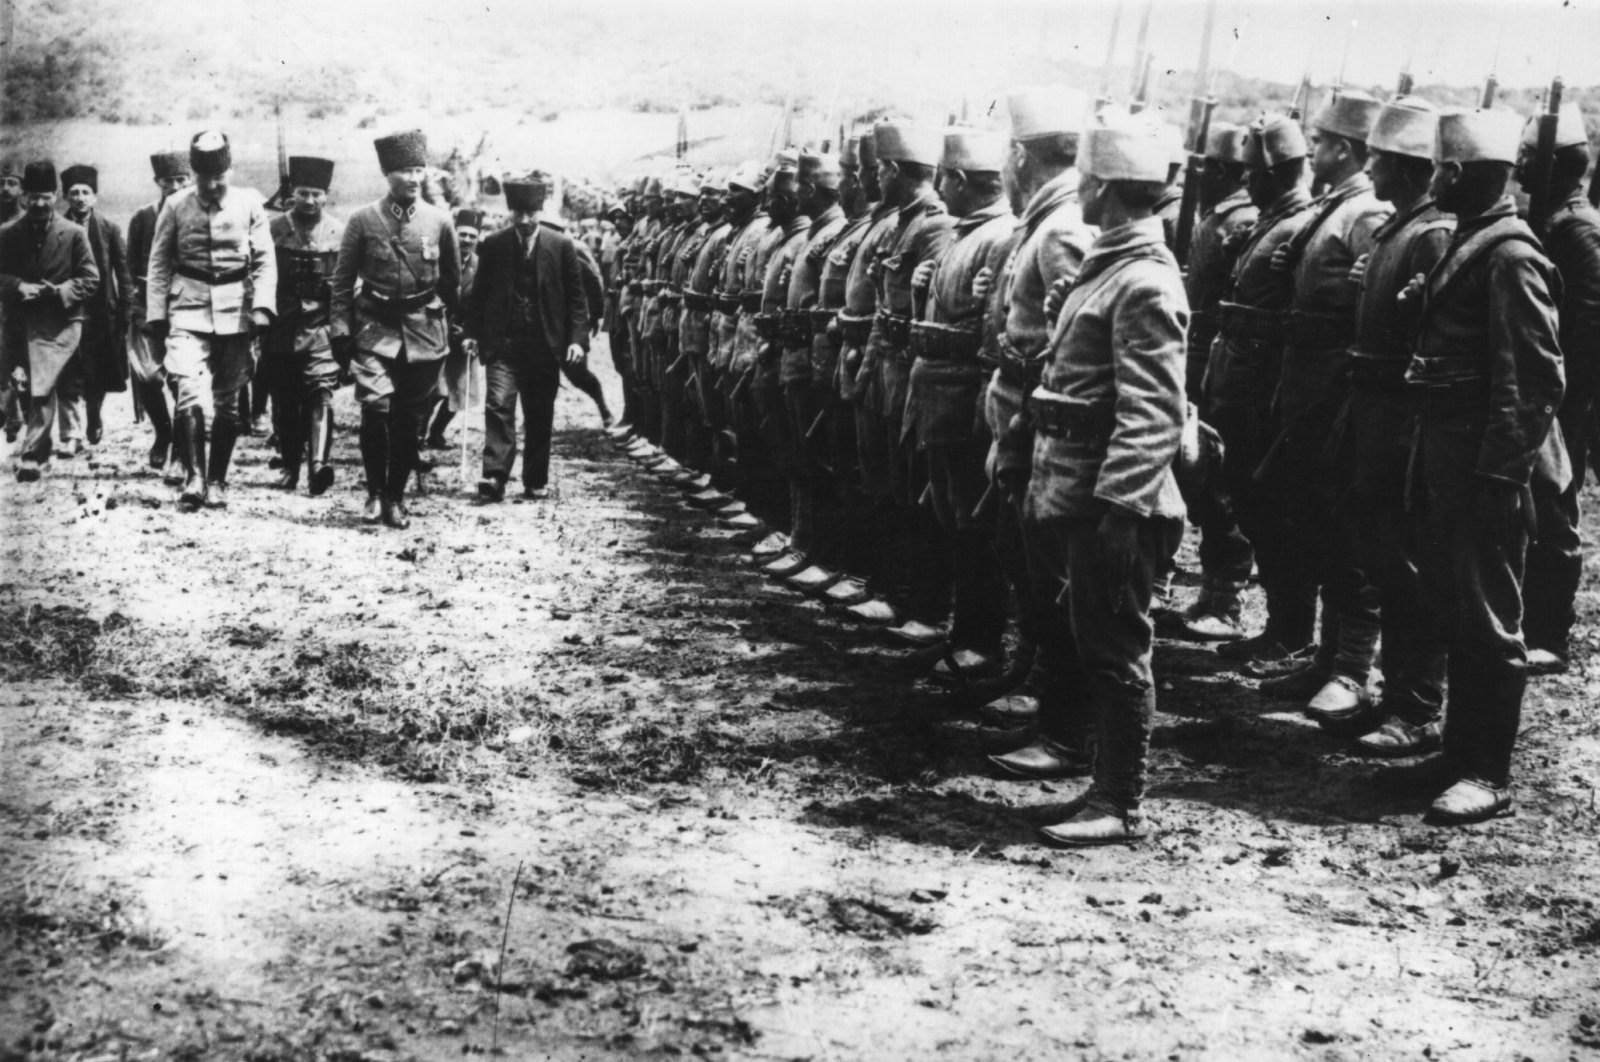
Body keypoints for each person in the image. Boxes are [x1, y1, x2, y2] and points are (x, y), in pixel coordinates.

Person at [1022, 108, 1189, 846]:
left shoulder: (1144, 282)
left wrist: (1122, 509)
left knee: (1118, 649)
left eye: (1088, 180)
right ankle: (1099, 784)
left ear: (1108, 189)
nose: (1079, 190)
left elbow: (1153, 412)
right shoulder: (1111, 268)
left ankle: (1119, 801)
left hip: (1116, 501)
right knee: (1095, 640)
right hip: (1082, 490)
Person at [1397, 107, 1566, 825]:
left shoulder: (1511, 254)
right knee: (1455, 607)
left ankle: (1487, 772)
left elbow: (1532, 382)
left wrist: (1502, 479)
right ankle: (1458, 753)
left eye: (1439, 168)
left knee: (1490, 615)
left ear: (1459, 174)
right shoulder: (1472, 241)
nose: (1433, 179)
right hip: (1445, 456)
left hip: (1479, 468)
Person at [1328, 96, 1453, 754]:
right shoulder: (1399, 228)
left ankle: (1416, 708)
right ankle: (1389, 691)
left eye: (1377, 157)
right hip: (1374, 417)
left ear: (1405, 167)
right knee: (1380, 559)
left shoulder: (1431, 232)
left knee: (1409, 570)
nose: (1367, 165)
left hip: (1402, 428)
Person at [1260, 91, 1391, 718]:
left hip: (1337, 392)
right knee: (1314, 521)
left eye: (1318, 141)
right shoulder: (1333, 208)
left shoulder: (1366, 212)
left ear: (1342, 148)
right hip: (1306, 388)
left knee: (1345, 531)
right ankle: (1325, 660)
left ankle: (1352, 670)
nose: (1310, 151)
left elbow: (1373, 310)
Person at [978, 85, 1097, 743]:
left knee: (1044, 569)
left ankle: (1050, 693)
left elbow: (1072, 348)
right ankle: (1029, 672)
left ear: (1023, 156)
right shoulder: (1042, 222)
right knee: (1019, 555)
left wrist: (1025, 429)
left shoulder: (1064, 228)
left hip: (1039, 424)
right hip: (1019, 415)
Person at [902, 129, 1016, 678]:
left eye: (943, 175)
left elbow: (991, 330)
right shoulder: (962, 233)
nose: (937, 183)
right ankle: (962, 632)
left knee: (976, 529)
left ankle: (981, 641)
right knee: (951, 519)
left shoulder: (999, 236)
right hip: (941, 395)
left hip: (967, 398)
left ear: (960, 180)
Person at [1205, 116, 1317, 666]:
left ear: (1278, 172)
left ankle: (1292, 633)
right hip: (1242, 389)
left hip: (1265, 396)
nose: (1246, 182)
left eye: (1255, 172)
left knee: (1274, 514)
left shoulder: (1300, 225)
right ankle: (1281, 627)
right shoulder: (1272, 222)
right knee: (1253, 508)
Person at [329, 129, 460, 529]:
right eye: (405, 170)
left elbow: (451, 282)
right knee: (375, 407)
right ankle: (372, 491)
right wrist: (339, 328)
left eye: (419, 169)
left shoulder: (439, 221)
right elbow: (341, 281)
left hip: (423, 334)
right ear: (387, 173)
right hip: (374, 328)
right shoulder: (363, 220)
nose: (413, 178)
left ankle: (395, 498)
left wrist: (451, 326)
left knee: (408, 418)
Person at [144, 131, 277, 511]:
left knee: (229, 403)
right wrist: (156, 314)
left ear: (230, 170)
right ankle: (194, 477)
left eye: (220, 176)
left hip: (237, 310)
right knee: (187, 388)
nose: (214, 185)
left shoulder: (250, 202)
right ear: (195, 175)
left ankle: (217, 479)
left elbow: (265, 259)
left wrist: (263, 307)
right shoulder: (175, 205)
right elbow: (158, 263)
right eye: (206, 178)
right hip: (187, 307)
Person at [1517, 102, 1600, 676]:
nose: (1519, 168)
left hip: (1563, 397)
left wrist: (1561, 402)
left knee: (1554, 510)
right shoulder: (1551, 220)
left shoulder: (1577, 228)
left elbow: (1590, 324)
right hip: (1541, 391)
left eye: (1528, 158)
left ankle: (1549, 633)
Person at [465, 171, 588, 501]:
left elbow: (577, 299)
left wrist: (576, 339)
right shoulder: (494, 245)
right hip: (503, 344)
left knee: (539, 413)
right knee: (498, 405)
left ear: (540, 211)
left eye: (530, 214)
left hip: (544, 347)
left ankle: (535, 479)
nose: (523, 220)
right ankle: (494, 476)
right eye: (517, 213)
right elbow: (479, 295)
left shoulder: (561, 246)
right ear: (509, 212)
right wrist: (472, 334)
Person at [1, 161, 100, 482]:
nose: (40, 203)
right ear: (25, 197)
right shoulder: (7, 234)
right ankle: (41, 454)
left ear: (56, 196)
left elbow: (89, 278)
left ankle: (30, 456)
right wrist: (18, 286)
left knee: (42, 385)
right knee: (28, 387)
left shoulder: (73, 234)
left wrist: (58, 292)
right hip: (20, 322)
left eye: (46, 196)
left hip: (61, 323)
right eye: (34, 197)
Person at [266, 155, 344, 495]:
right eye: (303, 193)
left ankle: (318, 465)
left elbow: (348, 282)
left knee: (321, 391)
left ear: (326, 194)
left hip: (322, 327)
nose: (310, 201)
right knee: (285, 399)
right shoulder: (272, 229)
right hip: (281, 327)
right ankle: (290, 465)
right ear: (291, 194)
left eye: (316, 194)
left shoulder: (340, 232)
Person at [125, 151, 191, 482]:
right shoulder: (142, 217)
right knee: (148, 376)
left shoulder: (196, 215)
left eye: (182, 180)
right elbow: (129, 264)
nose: (176, 186)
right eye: (169, 181)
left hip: (185, 308)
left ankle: (180, 450)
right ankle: (163, 432)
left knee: (182, 380)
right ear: (158, 183)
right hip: (146, 308)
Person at [60, 165, 131, 453]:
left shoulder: (109, 229)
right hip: (68, 309)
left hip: (102, 312)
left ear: (95, 197)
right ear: (65, 196)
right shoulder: (58, 227)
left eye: (85, 192)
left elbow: (123, 273)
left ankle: (93, 413)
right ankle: (71, 434)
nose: (79, 198)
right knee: (69, 369)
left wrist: (126, 311)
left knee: (99, 369)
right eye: (74, 192)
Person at [422, 207, 484, 449]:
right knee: (432, 391)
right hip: (435, 333)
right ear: (454, 235)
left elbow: (482, 304)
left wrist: (470, 331)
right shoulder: (440, 259)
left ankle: (436, 433)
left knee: (458, 393)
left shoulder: (481, 267)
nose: (467, 240)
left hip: (463, 338)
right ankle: (416, 435)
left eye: (472, 236)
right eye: (462, 234)